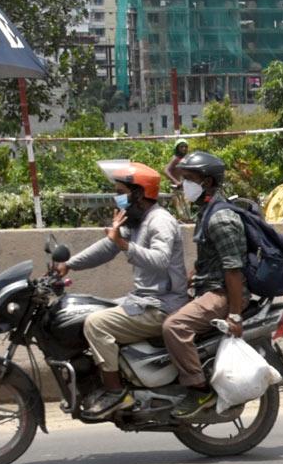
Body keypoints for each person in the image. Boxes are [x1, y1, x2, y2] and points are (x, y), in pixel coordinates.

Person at [52, 160, 187, 415]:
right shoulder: (138, 221)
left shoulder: (160, 221)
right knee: (88, 311)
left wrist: (125, 246)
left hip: (162, 305)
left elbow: (161, 260)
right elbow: (107, 246)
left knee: (96, 324)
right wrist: (69, 265)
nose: (117, 199)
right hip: (142, 301)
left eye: (121, 193)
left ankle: (115, 393)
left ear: (138, 193)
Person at [162, 150, 253, 416]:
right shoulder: (207, 211)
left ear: (207, 182)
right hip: (209, 287)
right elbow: (209, 260)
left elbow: (233, 270)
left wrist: (235, 314)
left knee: (174, 327)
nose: (183, 185)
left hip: (223, 293)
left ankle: (199, 391)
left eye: (189, 179)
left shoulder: (221, 218)